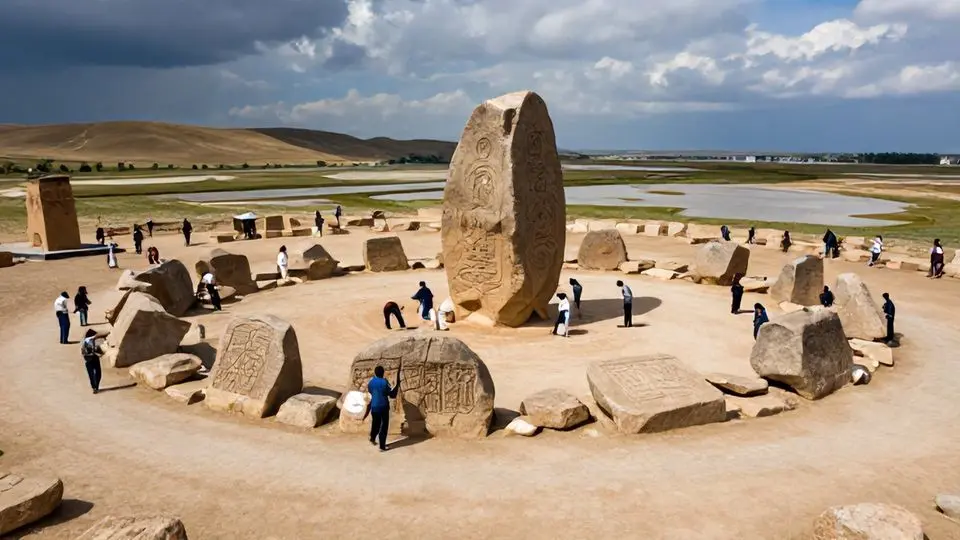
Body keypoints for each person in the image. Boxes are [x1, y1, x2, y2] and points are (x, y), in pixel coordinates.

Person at [363, 365, 400, 451]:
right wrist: (396, 387)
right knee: (383, 426)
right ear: (383, 373)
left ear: (375, 373)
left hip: (374, 406)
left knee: (375, 423)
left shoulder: (371, 382)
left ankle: (372, 438)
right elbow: (391, 394)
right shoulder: (384, 382)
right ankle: (382, 446)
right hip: (383, 406)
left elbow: (371, 391)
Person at [81, 329, 104, 394]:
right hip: (91, 359)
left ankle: (95, 387)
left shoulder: (86, 341)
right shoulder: (88, 342)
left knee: (92, 374)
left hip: (90, 360)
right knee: (97, 374)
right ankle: (95, 387)